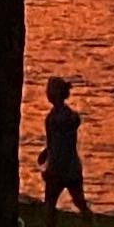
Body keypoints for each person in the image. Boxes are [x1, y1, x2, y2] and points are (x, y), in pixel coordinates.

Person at [39, 77, 93, 215]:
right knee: (80, 203)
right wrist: (46, 152)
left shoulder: (55, 119)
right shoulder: (69, 116)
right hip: (72, 167)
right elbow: (57, 142)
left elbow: (59, 146)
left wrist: (50, 169)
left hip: (60, 169)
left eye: (49, 90)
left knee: (49, 206)